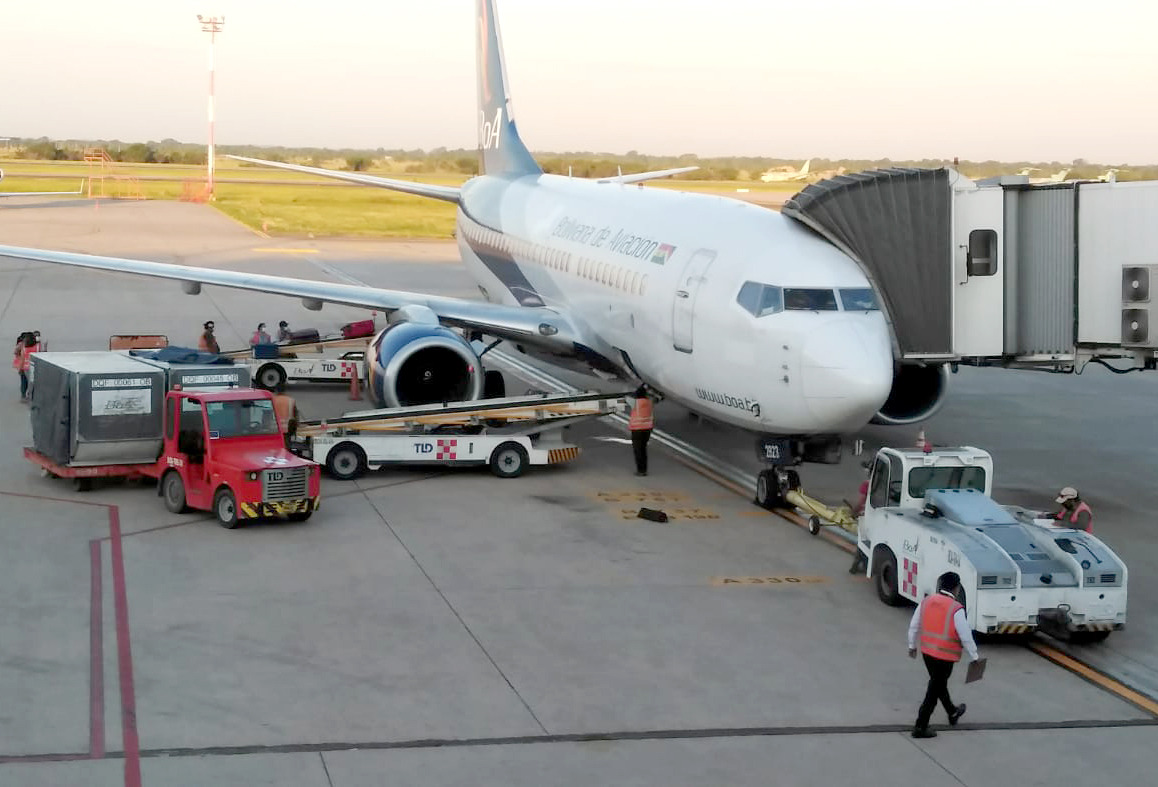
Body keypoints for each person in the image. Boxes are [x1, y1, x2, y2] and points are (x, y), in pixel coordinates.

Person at [907, 571, 979, 738]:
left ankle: (952, 712)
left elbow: (914, 625)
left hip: (927, 653)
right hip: (945, 657)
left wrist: (912, 645)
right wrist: (974, 656)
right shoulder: (956, 608)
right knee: (934, 690)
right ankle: (920, 726)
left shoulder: (926, 601)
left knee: (938, 684)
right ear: (956, 588)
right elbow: (965, 635)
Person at [628, 385, 659, 476]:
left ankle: (641, 471)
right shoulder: (650, 402)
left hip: (637, 430)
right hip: (647, 430)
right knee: (643, 450)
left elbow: (626, 398)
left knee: (638, 451)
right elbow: (657, 399)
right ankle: (644, 469)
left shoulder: (635, 402)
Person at [13, 332, 39, 401]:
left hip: (24, 367)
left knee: (24, 382)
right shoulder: (37, 346)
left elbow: (21, 358)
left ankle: (23, 395)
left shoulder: (23, 347)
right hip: (34, 368)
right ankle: (32, 396)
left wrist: (19, 369)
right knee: (33, 383)